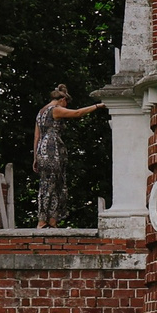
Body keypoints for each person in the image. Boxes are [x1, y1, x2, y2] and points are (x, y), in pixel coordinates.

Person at [32, 86, 104, 229]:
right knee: (54, 184)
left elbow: (36, 136)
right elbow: (77, 113)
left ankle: (49, 220)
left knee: (49, 183)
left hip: (42, 150)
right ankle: (45, 221)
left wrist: (35, 157)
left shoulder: (40, 112)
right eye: (67, 103)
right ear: (63, 100)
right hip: (53, 150)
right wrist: (97, 106)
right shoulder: (55, 110)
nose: (66, 106)